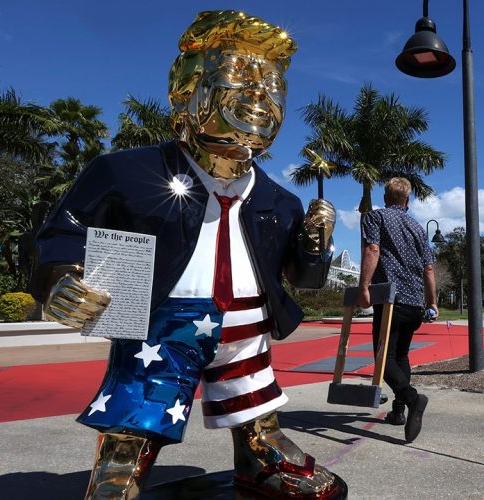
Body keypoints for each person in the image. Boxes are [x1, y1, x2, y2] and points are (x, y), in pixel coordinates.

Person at [29, 10, 346, 500]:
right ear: (187, 90)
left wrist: (314, 245)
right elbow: (65, 229)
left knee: (254, 394)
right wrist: (59, 277)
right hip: (162, 320)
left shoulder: (282, 201)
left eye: (273, 83)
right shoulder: (126, 172)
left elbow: (301, 279)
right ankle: (121, 466)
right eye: (240, 75)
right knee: (140, 400)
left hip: (248, 327)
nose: (261, 93)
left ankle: (259, 452)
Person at [356, 177, 437, 443]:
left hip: (390, 299)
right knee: (400, 355)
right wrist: (432, 302)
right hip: (415, 303)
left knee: (383, 358)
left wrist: (364, 286)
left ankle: (412, 399)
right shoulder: (417, 227)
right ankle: (398, 412)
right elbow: (428, 268)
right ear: (408, 200)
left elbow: (373, 249)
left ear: (385, 197)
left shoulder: (375, 217)